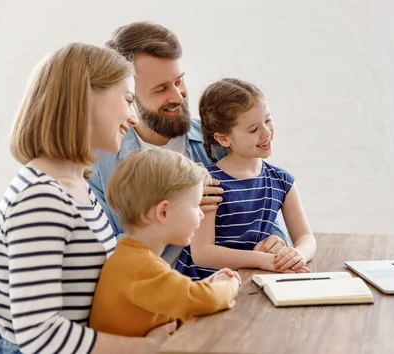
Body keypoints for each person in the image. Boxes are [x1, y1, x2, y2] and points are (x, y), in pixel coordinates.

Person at [0, 43, 176, 354]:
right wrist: (145, 347)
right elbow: (39, 336)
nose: (134, 118)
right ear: (84, 97)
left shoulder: (76, 184)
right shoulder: (40, 198)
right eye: (127, 100)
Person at [88, 22, 289, 267]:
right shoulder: (98, 164)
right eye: (161, 89)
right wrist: (168, 223)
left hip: (229, 289)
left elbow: (265, 203)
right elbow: (98, 253)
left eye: (179, 81)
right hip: (149, 297)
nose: (177, 96)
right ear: (128, 95)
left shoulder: (218, 142)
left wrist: (276, 240)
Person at [176, 78, 317, 280]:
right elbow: (202, 254)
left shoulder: (282, 181)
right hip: (206, 287)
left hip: (253, 282)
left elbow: (306, 237)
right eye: (253, 129)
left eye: (267, 120)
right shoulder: (209, 183)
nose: (266, 132)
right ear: (223, 139)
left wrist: (298, 254)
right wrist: (262, 260)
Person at [89, 148, 240, 336]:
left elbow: (177, 301)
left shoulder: (134, 257)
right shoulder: (139, 267)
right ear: (163, 212)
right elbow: (201, 300)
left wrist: (206, 285)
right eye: (195, 205)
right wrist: (228, 286)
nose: (201, 213)